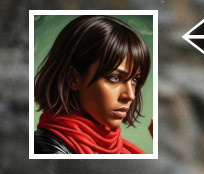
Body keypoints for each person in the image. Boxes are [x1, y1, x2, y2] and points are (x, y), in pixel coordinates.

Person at [33, 15, 150, 155]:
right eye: (115, 77)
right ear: (73, 78)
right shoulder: (45, 149)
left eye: (135, 80)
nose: (130, 95)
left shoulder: (124, 151)